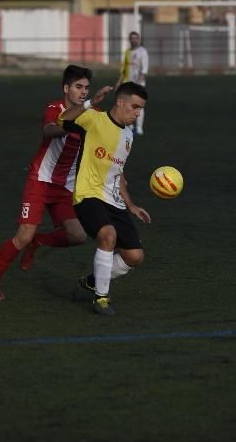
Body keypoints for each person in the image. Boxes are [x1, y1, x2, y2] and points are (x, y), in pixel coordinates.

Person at [0, 65, 94, 301]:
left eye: (86, 88)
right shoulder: (55, 108)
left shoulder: (92, 114)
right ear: (66, 88)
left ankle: (38, 242)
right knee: (22, 235)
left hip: (65, 187)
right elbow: (50, 129)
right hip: (41, 181)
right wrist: (70, 125)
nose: (83, 92)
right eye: (78, 87)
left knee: (78, 236)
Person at [59, 82, 151, 316]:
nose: (138, 113)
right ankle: (101, 298)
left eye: (140, 109)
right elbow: (63, 119)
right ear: (120, 102)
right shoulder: (93, 120)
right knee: (107, 235)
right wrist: (91, 102)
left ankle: (92, 281)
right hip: (87, 194)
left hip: (114, 200)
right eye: (135, 107)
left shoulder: (128, 135)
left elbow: (117, 171)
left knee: (134, 256)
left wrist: (130, 204)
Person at [116, 31, 149, 135]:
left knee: (139, 105)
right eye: (132, 38)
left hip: (139, 84)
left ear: (138, 39)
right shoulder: (127, 52)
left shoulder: (142, 51)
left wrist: (139, 83)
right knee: (127, 105)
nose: (133, 40)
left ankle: (139, 128)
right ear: (129, 40)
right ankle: (130, 126)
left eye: (135, 38)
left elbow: (144, 69)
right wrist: (118, 83)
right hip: (128, 84)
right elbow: (123, 69)